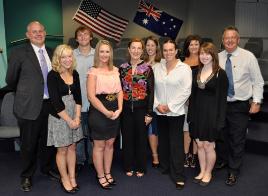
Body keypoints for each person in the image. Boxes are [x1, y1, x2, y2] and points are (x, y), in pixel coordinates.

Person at [5, 21, 59, 192]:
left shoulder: (52, 52)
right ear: (28, 35)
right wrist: (25, 92)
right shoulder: (18, 53)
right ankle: (27, 175)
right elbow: (11, 79)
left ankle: (47, 168)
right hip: (28, 106)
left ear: (45, 32)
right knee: (28, 144)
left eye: (41, 31)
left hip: (50, 105)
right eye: (34, 32)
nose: (38, 34)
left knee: (49, 141)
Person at [218, 26, 264, 186]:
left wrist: (257, 101)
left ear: (238, 40)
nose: (229, 40)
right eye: (226, 38)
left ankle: (233, 170)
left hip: (240, 105)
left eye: (232, 37)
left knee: (237, 139)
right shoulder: (217, 57)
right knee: (221, 136)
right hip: (221, 105)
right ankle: (223, 160)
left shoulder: (248, 57)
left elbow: (257, 81)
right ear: (222, 41)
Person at [188, 42, 228, 186]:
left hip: (212, 115)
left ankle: (209, 173)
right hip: (197, 114)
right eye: (201, 53)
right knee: (199, 144)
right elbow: (193, 96)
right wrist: (190, 116)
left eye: (207, 53)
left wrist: (220, 121)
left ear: (213, 55)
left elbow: (223, 100)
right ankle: (202, 170)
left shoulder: (220, 73)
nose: (204, 56)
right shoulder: (196, 71)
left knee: (208, 146)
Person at [154, 39, 192, 190]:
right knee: (163, 140)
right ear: (162, 51)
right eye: (165, 50)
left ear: (176, 51)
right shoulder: (157, 67)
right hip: (160, 111)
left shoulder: (184, 68)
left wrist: (170, 106)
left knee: (176, 144)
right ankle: (165, 167)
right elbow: (153, 89)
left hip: (176, 112)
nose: (168, 52)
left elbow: (186, 91)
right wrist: (158, 105)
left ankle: (179, 175)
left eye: (171, 50)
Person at [47, 44, 83, 193]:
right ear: (58, 58)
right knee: (62, 150)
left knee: (72, 147)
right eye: (64, 57)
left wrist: (77, 117)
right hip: (60, 116)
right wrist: (70, 120)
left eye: (69, 56)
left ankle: (72, 176)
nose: (67, 59)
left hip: (74, 114)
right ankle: (64, 178)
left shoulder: (75, 73)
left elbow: (79, 98)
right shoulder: (52, 75)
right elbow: (56, 102)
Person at [87, 40, 123, 190]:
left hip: (115, 111)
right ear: (97, 53)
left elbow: (120, 91)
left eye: (107, 51)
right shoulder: (92, 71)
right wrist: (106, 112)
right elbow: (91, 96)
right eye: (101, 51)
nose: (104, 54)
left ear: (111, 53)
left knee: (110, 144)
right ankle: (100, 175)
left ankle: (108, 172)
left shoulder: (115, 69)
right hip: (99, 112)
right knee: (100, 145)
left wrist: (119, 109)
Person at [119, 38, 154, 178]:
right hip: (126, 109)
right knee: (127, 138)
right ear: (129, 49)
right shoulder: (122, 68)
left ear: (142, 50)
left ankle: (141, 167)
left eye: (139, 48)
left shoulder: (147, 69)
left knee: (141, 139)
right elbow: (119, 90)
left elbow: (151, 92)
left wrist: (149, 113)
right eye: (133, 48)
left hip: (142, 109)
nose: (136, 51)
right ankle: (128, 165)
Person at [73, 26, 95, 173]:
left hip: (94, 102)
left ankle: (94, 160)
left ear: (91, 37)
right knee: (78, 133)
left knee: (93, 133)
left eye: (86, 34)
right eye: (79, 35)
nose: (83, 37)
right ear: (76, 39)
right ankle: (80, 160)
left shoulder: (98, 54)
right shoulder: (71, 55)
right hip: (76, 101)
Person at [182, 35, 203, 168]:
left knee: (196, 129)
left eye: (196, 44)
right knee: (186, 130)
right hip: (185, 101)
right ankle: (186, 155)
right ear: (187, 46)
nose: (194, 47)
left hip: (200, 101)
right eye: (191, 44)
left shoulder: (204, 61)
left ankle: (194, 156)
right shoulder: (182, 62)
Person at [144, 36, 161, 168]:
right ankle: (154, 155)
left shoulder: (163, 62)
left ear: (157, 47)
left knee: (158, 129)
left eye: (152, 45)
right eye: (148, 45)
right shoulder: (141, 63)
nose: (150, 48)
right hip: (146, 102)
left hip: (160, 100)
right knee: (151, 129)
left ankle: (161, 153)